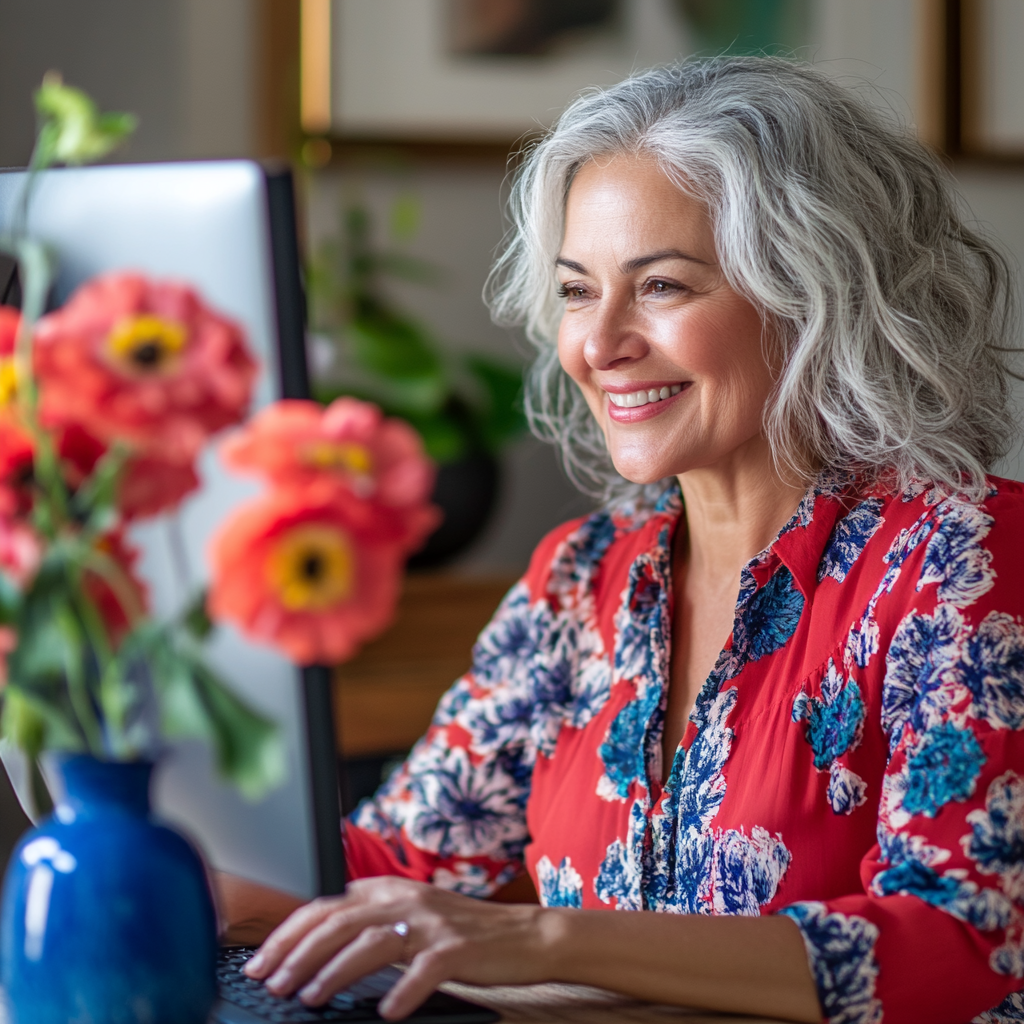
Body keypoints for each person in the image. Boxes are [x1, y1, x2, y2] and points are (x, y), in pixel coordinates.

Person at [231, 57, 1024, 1023]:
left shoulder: (967, 556)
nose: (599, 342)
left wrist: (537, 940)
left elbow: (960, 943)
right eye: (576, 290)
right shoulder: (583, 574)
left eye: (661, 287)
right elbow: (405, 862)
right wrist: (183, 852)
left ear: (814, 294)